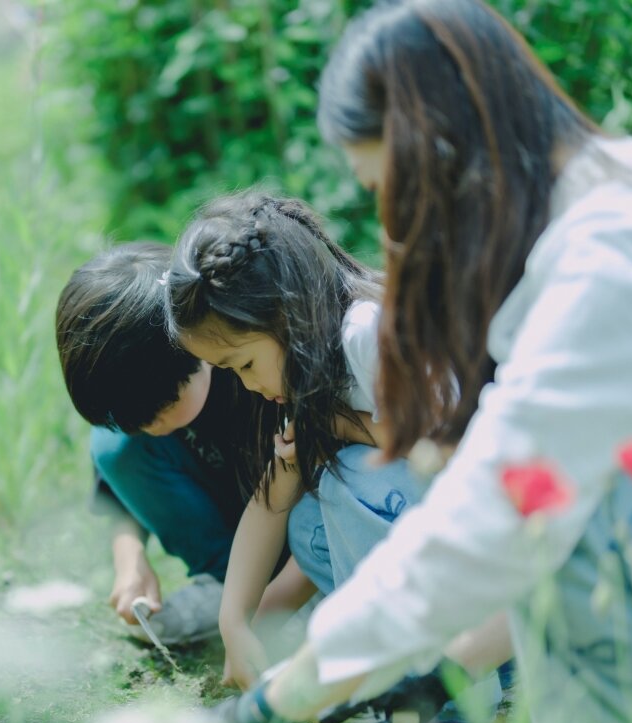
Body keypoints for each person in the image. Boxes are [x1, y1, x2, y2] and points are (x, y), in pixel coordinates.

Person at [214, 0, 632, 723]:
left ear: (440, 155)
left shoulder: (611, 269)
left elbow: (491, 519)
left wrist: (281, 698)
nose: (396, 228)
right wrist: (441, 670)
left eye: (388, 190)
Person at [166, 192, 435, 690]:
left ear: (283, 313)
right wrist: (237, 625)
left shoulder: (365, 335)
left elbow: (447, 443)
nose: (247, 385)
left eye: (244, 364)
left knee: (345, 480)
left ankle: (406, 671)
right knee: (309, 523)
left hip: (489, 535)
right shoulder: (307, 376)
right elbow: (271, 501)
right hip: (432, 547)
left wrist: (336, 425)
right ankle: (389, 656)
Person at [56, 242, 317, 646]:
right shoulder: (138, 415)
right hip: (234, 557)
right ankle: (223, 585)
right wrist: (131, 562)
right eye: (129, 421)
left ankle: (293, 601)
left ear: (197, 347)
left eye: (161, 409)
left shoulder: (258, 373)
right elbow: (118, 493)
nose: (150, 427)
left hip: (306, 550)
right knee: (114, 449)